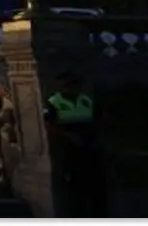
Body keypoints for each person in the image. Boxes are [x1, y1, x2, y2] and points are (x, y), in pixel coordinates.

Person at [43, 71, 105, 217]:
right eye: (67, 85)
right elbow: (49, 124)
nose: (71, 89)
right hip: (67, 151)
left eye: (74, 85)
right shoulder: (54, 102)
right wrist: (69, 136)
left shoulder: (85, 101)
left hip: (89, 149)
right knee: (72, 192)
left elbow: (97, 120)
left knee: (93, 189)